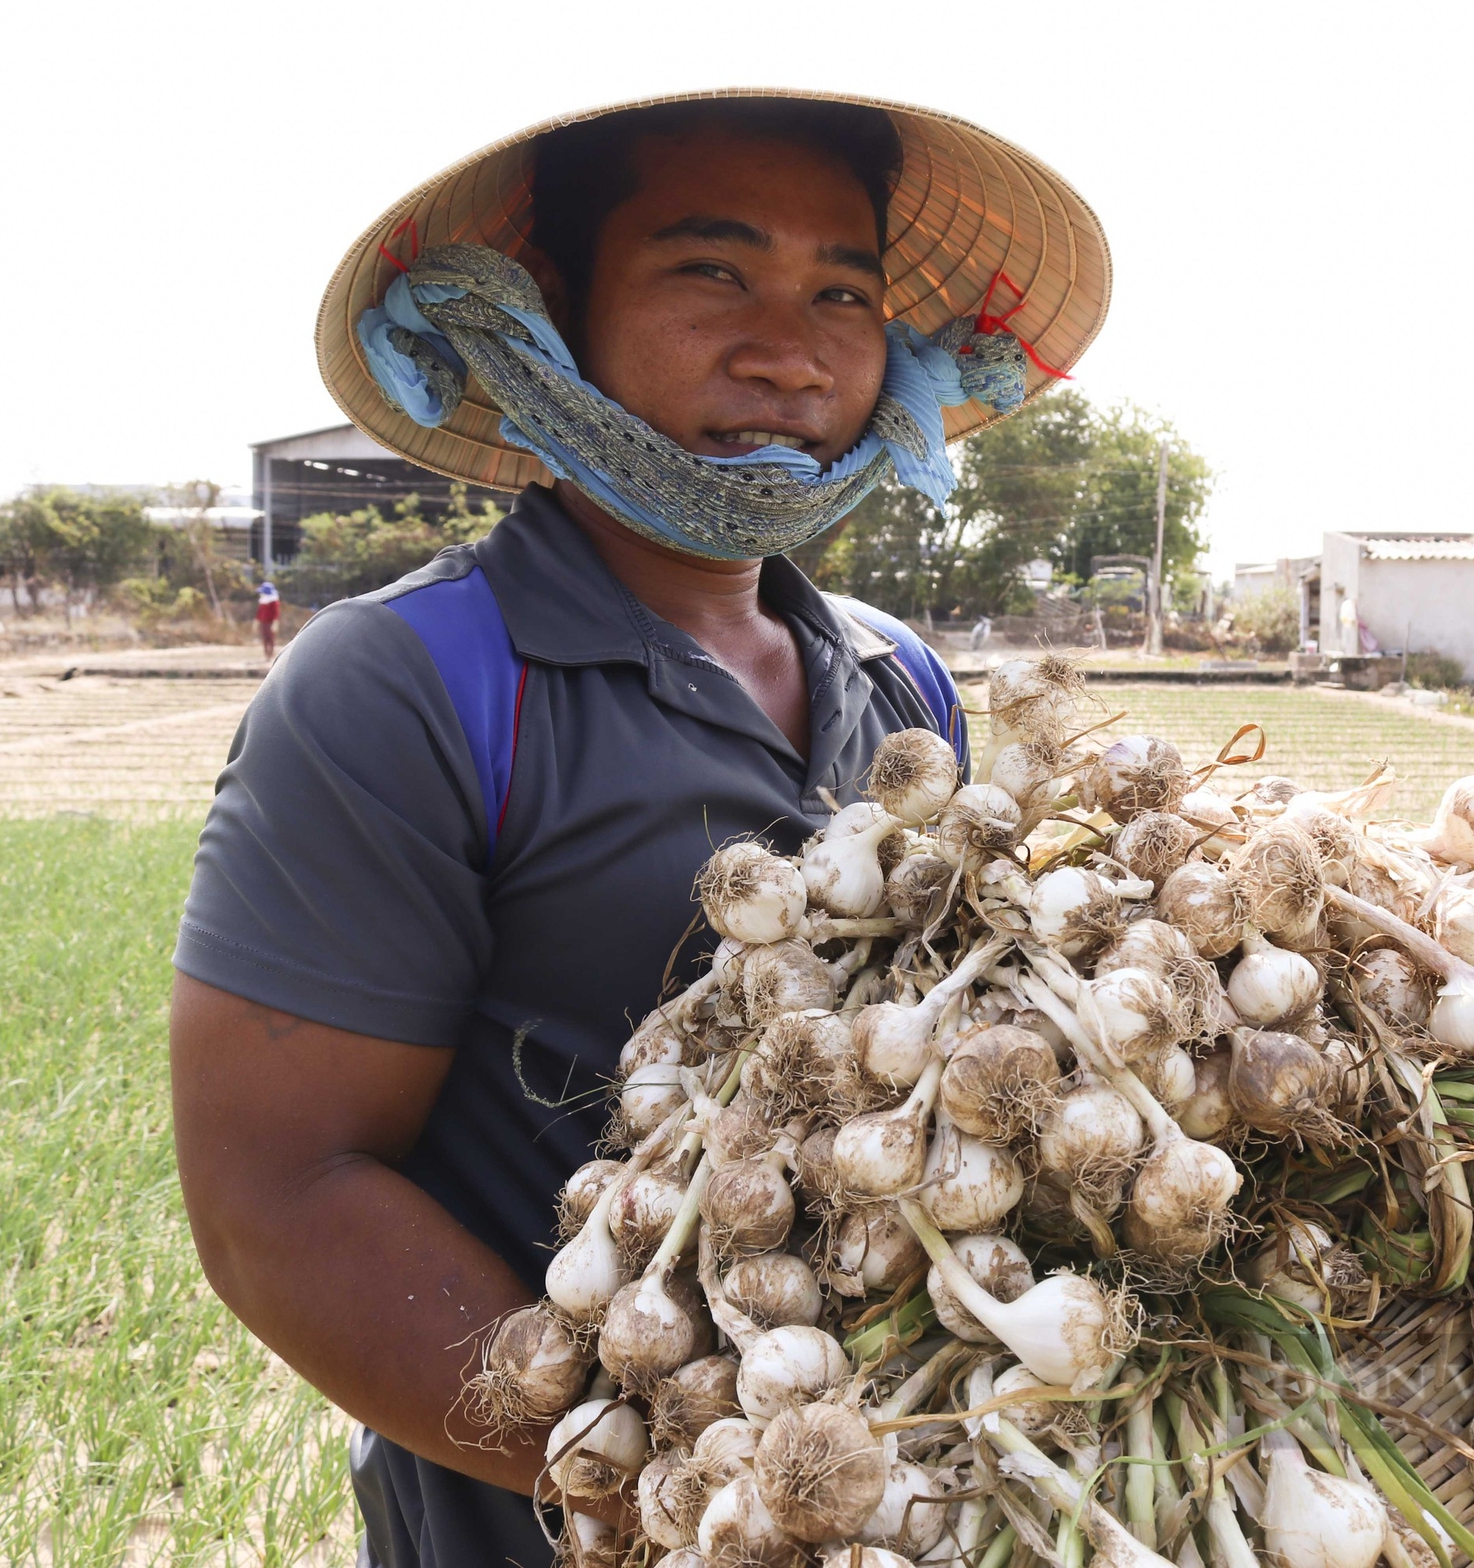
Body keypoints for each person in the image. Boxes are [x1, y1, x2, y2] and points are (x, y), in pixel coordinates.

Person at [166, 91, 1107, 1567]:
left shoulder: (900, 682)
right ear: (551, 312)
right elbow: (277, 1199)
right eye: (709, 270)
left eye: (841, 292)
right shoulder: (404, 687)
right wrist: (670, 1491)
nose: (787, 349)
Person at [254, 580, 280, 659]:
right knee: (264, 638)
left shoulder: (274, 601)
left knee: (271, 639)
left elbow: (276, 613)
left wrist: (275, 624)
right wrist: (256, 622)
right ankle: (266, 655)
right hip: (263, 622)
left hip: (270, 622)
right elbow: (259, 613)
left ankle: (270, 654)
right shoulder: (262, 601)